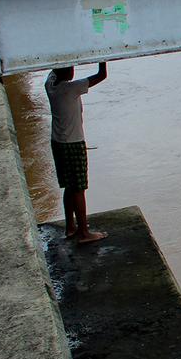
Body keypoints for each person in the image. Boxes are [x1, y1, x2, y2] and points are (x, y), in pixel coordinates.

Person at [45, 63, 108, 244]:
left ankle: (70, 227)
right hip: (73, 143)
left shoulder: (50, 84)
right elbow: (101, 75)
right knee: (79, 187)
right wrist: (102, 58)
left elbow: (53, 69)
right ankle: (83, 232)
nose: (74, 69)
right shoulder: (71, 88)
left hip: (57, 142)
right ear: (66, 71)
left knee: (69, 186)